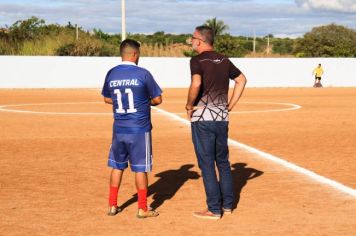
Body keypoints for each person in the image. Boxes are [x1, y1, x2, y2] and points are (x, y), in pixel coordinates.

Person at [186, 26, 247, 220]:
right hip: (221, 117)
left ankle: (214, 208)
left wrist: (189, 105)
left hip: (203, 117)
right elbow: (242, 80)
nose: (191, 41)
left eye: (193, 38)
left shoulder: (197, 60)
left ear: (201, 41)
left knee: (206, 163)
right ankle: (227, 205)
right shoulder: (224, 60)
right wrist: (231, 104)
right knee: (223, 162)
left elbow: (196, 83)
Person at [101, 39, 162, 218]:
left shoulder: (111, 73)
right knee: (140, 169)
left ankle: (112, 205)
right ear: (135, 54)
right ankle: (142, 208)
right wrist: (143, 102)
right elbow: (158, 99)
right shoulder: (143, 74)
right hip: (139, 130)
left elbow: (106, 98)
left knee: (117, 167)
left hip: (119, 128)